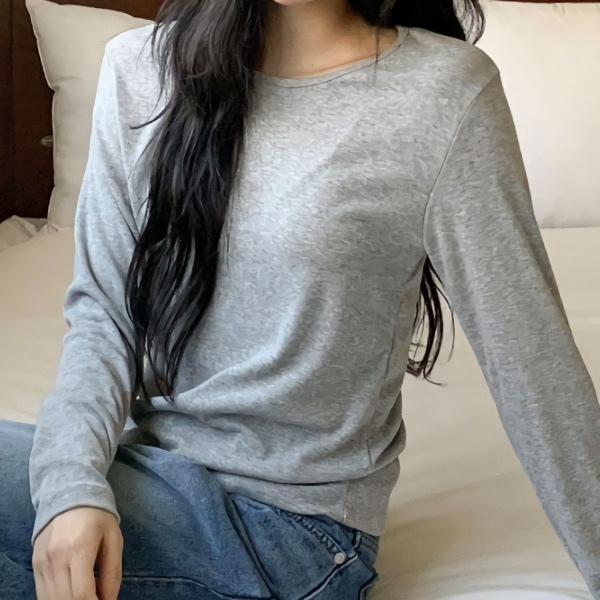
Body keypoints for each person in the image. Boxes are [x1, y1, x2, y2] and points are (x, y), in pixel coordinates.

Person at [1, 0, 599, 598]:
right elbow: (105, 316)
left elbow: (530, 359)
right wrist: (70, 489)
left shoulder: (442, 91)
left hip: (293, 534)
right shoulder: (140, 68)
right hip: (144, 470)